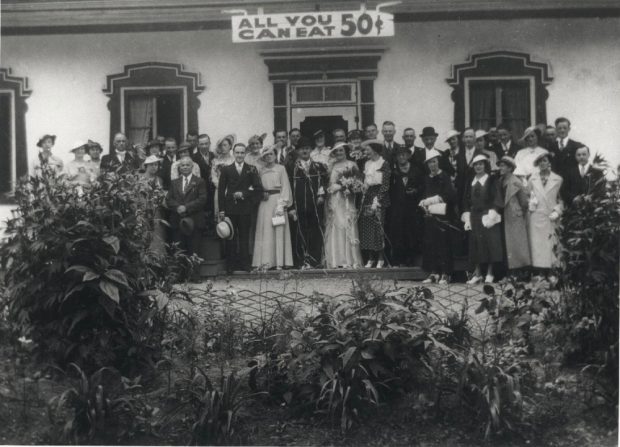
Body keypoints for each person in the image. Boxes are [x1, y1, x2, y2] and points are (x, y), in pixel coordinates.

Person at [218, 143, 263, 273]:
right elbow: (221, 191)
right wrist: (222, 210)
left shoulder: (252, 169)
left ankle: (245, 264)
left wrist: (244, 194)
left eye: (242, 153)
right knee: (230, 237)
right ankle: (231, 265)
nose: (239, 155)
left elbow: (258, 189)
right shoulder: (226, 170)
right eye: (237, 152)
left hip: (245, 209)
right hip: (230, 208)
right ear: (233, 153)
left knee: (244, 237)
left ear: (245, 154)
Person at [461, 154, 504, 284]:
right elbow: (465, 200)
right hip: (474, 216)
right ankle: (478, 273)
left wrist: (492, 213)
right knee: (476, 244)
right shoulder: (471, 181)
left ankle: (490, 273)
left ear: (485, 165)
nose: (478, 166)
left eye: (481, 164)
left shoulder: (491, 180)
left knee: (489, 243)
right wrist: (467, 215)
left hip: (487, 216)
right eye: (476, 164)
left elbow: (497, 198)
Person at [287, 137, 328, 268]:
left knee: (315, 232)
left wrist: (321, 195)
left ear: (311, 150)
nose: (304, 151)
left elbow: (324, 183)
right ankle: (301, 261)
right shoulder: (291, 168)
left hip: (315, 206)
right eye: (301, 149)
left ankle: (315, 261)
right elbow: (287, 188)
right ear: (297, 151)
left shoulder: (319, 166)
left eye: (307, 148)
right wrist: (291, 207)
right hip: (298, 206)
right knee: (299, 232)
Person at [252, 146, 294, 270]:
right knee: (265, 230)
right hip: (265, 203)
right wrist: (261, 194)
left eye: (271, 154)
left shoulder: (281, 169)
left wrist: (282, 204)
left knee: (278, 229)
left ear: (275, 155)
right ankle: (265, 262)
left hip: (277, 201)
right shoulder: (261, 170)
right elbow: (257, 187)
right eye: (266, 155)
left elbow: (285, 186)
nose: (268, 157)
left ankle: (279, 262)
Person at [419, 149, 458, 284]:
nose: (432, 165)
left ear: (438, 162)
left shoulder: (444, 176)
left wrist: (435, 199)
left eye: (434, 162)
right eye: (430, 163)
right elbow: (424, 194)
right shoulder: (426, 178)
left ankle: (445, 273)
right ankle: (433, 272)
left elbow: (450, 195)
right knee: (431, 243)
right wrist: (424, 203)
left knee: (443, 244)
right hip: (430, 216)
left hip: (443, 216)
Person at [324, 143, 363, 268]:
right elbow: (329, 184)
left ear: (345, 151)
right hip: (335, 200)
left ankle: (350, 260)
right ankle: (336, 260)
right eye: (336, 152)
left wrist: (347, 186)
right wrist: (334, 189)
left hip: (347, 199)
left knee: (348, 224)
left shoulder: (352, 165)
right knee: (336, 225)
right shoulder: (332, 166)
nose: (339, 153)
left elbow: (359, 183)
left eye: (341, 151)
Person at [527, 151, 563, 274]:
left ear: (549, 163)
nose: (542, 163)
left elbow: (561, 199)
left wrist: (557, 211)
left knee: (551, 245)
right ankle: (539, 274)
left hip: (550, 217)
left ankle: (552, 273)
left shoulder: (558, 179)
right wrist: (530, 202)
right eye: (540, 162)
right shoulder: (532, 178)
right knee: (537, 246)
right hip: (536, 216)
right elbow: (527, 196)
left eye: (545, 161)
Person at [388, 146, 424, 266]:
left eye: (404, 154)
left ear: (408, 156)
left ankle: (412, 259)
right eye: (399, 155)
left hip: (412, 207)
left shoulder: (416, 170)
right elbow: (389, 189)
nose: (402, 157)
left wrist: (415, 191)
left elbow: (422, 187)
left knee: (412, 232)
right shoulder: (393, 171)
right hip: (397, 208)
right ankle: (399, 260)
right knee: (398, 233)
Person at [358, 140, 391, 268]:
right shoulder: (367, 164)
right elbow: (366, 181)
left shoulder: (384, 163)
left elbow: (385, 185)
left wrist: (377, 200)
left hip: (379, 197)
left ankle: (381, 258)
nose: (366, 152)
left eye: (368, 150)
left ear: (375, 150)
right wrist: (362, 188)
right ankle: (371, 258)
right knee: (367, 228)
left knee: (378, 228)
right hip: (367, 196)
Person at [166, 157, 208, 256]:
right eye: (182, 165)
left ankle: (194, 272)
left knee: (194, 253)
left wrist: (186, 207)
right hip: (178, 221)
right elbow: (169, 199)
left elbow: (202, 199)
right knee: (179, 253)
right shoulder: (174, 182)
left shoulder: (199, 181)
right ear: (179, 167)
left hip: (194, 221)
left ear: (192, 167)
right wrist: (178, 207)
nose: (185, 167)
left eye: (187, 165)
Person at [498, 156, 531, 275]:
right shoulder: (501, 180)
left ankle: (519, 271)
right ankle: (510, 272)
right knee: (508, 244)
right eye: (500, 165)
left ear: (510, 168)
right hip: (504, 216)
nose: (500, 168)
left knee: (517, 244)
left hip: (514, 216)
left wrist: (519, 212)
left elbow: (524, 202)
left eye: (503, 166)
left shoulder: (516, 181)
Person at [141, 155, 166, 256]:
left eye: (156, 165)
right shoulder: (140, 178)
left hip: (156, 212)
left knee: (157, 233)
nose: (154, 167)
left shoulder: (159, 180)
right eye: (151, 165)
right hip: (144, 211)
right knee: (144, 234)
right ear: (146, 166)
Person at [212, 135, 236, 215]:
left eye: (225, 145)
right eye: (221, 145)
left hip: (231, 189)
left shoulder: (234, 160)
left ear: (230, 146)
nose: (223, 147)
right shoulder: (216, 161)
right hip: (219, 188)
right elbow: (213, 176)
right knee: (220, 210)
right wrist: (219, 185)